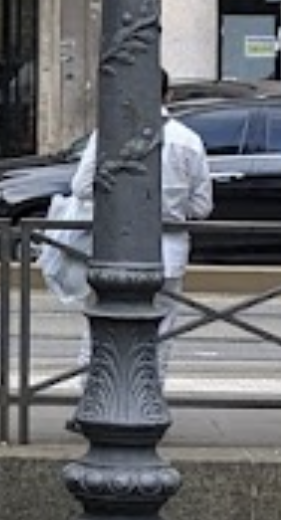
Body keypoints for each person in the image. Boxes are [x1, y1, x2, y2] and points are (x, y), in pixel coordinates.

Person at [67, 69, 213, 383]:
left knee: (99, 326)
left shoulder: (108, 133)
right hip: (168, 253)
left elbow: (81, 187)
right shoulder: (189, 141)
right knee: (160, 332)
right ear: (168, 95)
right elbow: (202, 206)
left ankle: (92, 392)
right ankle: (150, 393)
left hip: (111, 250)